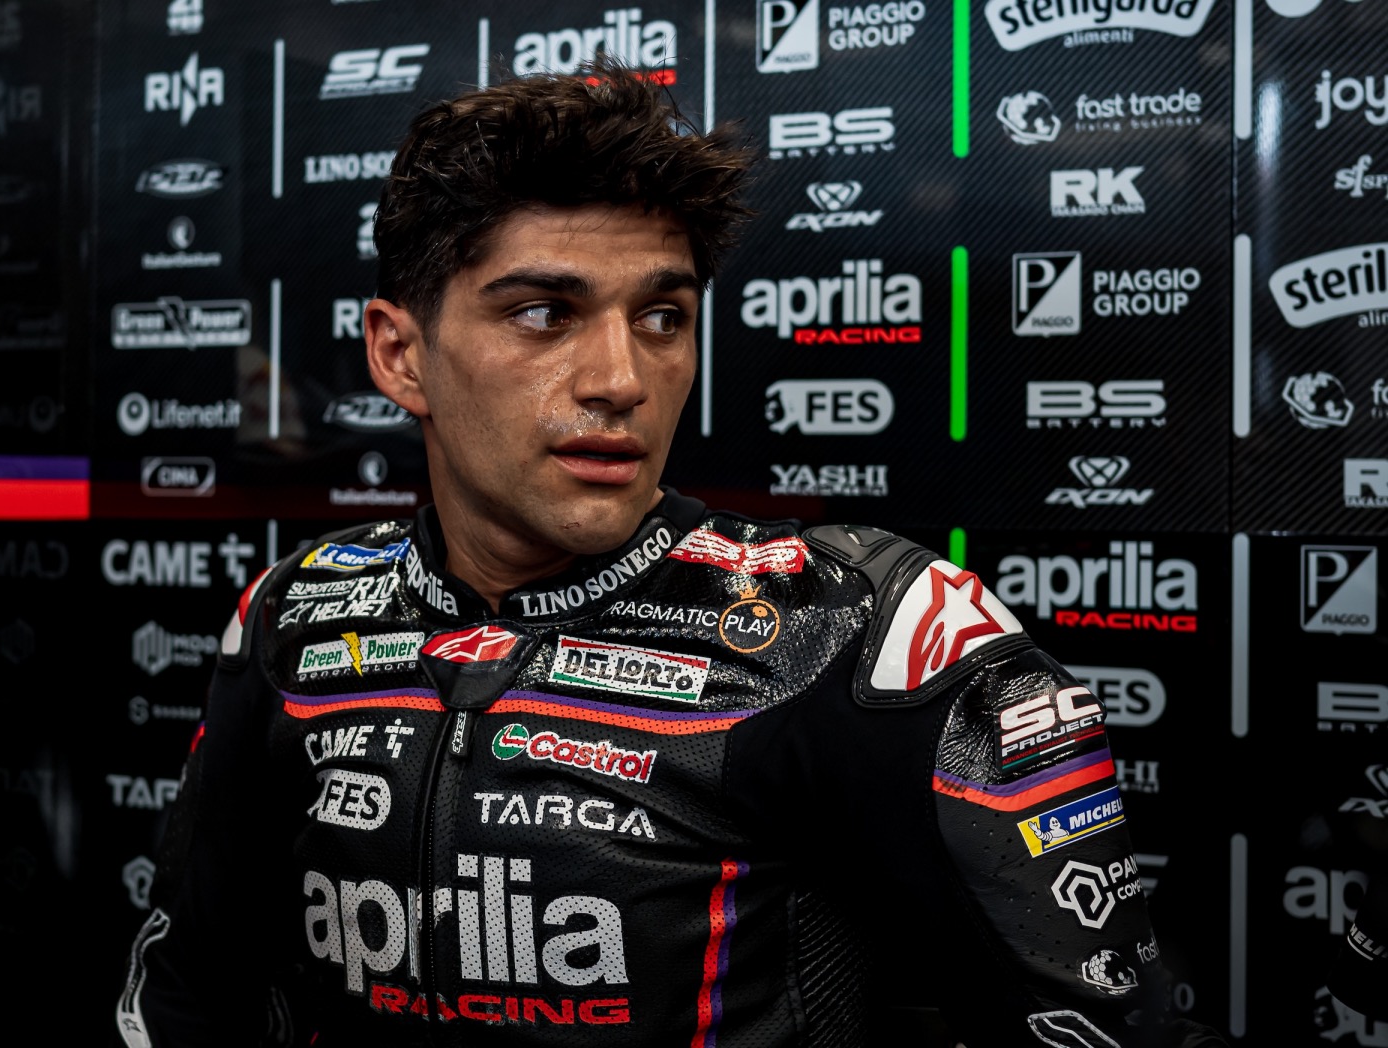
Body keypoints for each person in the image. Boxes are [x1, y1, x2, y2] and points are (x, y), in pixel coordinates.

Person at [115, 58, 1230, 1047]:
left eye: (662, 317)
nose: (621, 379)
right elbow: (184, 1001)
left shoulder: (864, 636)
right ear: (400, 354)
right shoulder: (296, 617)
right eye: (544, 313)